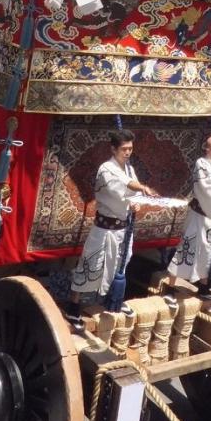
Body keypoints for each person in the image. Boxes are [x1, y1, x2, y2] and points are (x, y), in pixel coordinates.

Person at [66, 130, 156, 324]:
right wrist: (140, 190)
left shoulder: (129, 169)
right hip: (104, 229)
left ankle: (114, 301)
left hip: (123, 229)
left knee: (119, 265)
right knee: (90, 264)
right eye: (124, 149)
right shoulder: (106, 169)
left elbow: (131, 190)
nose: (128, 152)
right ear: (113, 149)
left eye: (130, 148)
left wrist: (136, 202)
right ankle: (73, 307)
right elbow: (121, 187)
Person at [167, 134, 211, 300]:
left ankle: (204, 287)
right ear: (208, 150)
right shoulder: (201, 164)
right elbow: (207, 186)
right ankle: (170, 287)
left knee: (207, 254)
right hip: (198, 216)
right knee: (186, 249)